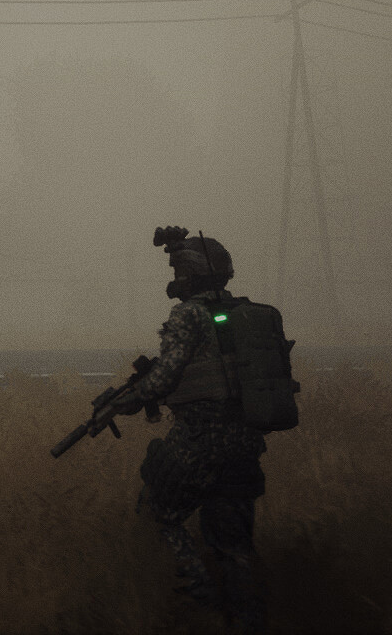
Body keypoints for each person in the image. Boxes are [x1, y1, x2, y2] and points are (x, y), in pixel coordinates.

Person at [110, 229, 277, 628]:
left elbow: (163, 379)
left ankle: (197, 598)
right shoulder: (243, 315)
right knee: (233, 546)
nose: (175, 279)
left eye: (178, 270)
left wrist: (128, 401)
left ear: (191, 274)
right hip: (245, 443)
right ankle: (245, 620)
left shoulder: (188, 315)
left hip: (201, 441)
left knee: (158, 512)